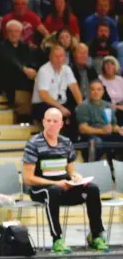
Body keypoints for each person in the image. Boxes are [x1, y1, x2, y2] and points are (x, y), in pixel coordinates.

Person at [23, 107, 109, 254]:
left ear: (61, 124)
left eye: (55, 121)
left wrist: (76, 177)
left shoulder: (66, 143)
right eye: (48, 121)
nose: (51, 124)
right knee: (53, 191)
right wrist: (56, 183)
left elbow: (70, 171)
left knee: (92, 189)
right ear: (43, 122)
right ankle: (57, 239)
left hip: (64, 187)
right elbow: (28, 178)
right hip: (41, 189)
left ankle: (96, 235)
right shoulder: (34, 144)